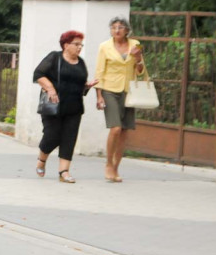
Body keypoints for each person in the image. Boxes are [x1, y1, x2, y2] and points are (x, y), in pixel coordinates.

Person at [33, 31, 98, 184]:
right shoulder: (54, 57)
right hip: (53, 105)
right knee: (52, 136)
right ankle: (42, 159)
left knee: (69, 138)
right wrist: (50, 88)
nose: (79, 47)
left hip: (74, 107)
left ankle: (64, 171)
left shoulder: (81, 63)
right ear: (66, 45)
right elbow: (38, 74)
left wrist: (87, 86)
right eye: (76, 44)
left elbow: (79, 85)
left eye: (81, 44)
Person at [94, 16, 145, 183]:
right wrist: (99, 95)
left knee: (124, 131)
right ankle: (108, 163)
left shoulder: (135, 45)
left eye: (120, 27)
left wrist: (138, 59)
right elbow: (99, 72)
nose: (117, 30)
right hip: (110, 89)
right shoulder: (104, 47)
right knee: (115, 128)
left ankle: (116, 168)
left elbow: (141, 71)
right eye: (114, 27)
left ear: (127, 30)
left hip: (128, 91)